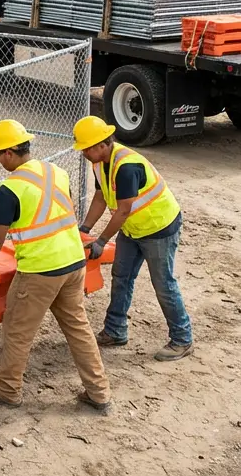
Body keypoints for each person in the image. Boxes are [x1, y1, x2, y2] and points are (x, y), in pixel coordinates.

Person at [0, 119, 112, 413]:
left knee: (18, 331)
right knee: (78, 328)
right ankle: (99, 392)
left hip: (39, 271)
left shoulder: (10, 189)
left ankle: (7, 390)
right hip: (73, 262)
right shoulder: (56, 172)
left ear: (8, 153)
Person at [73, 115, 194, 361]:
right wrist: (84, 228)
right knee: (122, 276)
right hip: (133, 229)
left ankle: (182, 339)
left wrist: (101, 241)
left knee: (163, 284)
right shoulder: (99, 163)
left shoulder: (126, 167)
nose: (83, 153)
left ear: (102, 145)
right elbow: (100, 197)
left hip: (158, 228)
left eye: (86, 148)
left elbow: (123, 210)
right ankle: (115, 330)